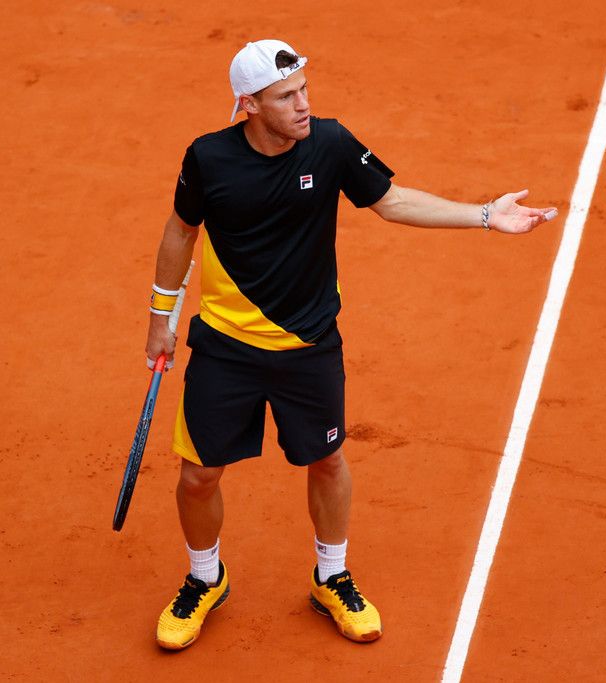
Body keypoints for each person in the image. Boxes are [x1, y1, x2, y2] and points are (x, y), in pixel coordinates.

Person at [146, 39, 557, 651]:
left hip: (310, 342)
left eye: (304, 89)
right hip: (227, 345)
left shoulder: (330, 144)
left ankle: (331, 575)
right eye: (286, 97)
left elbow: (392, 200)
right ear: (249, 105)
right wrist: (161, 315)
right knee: (199, 474)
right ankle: (205, 577)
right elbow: (182, 230)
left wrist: (482, 216)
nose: (303, 105)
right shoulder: (208, 158)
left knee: (328, 460)